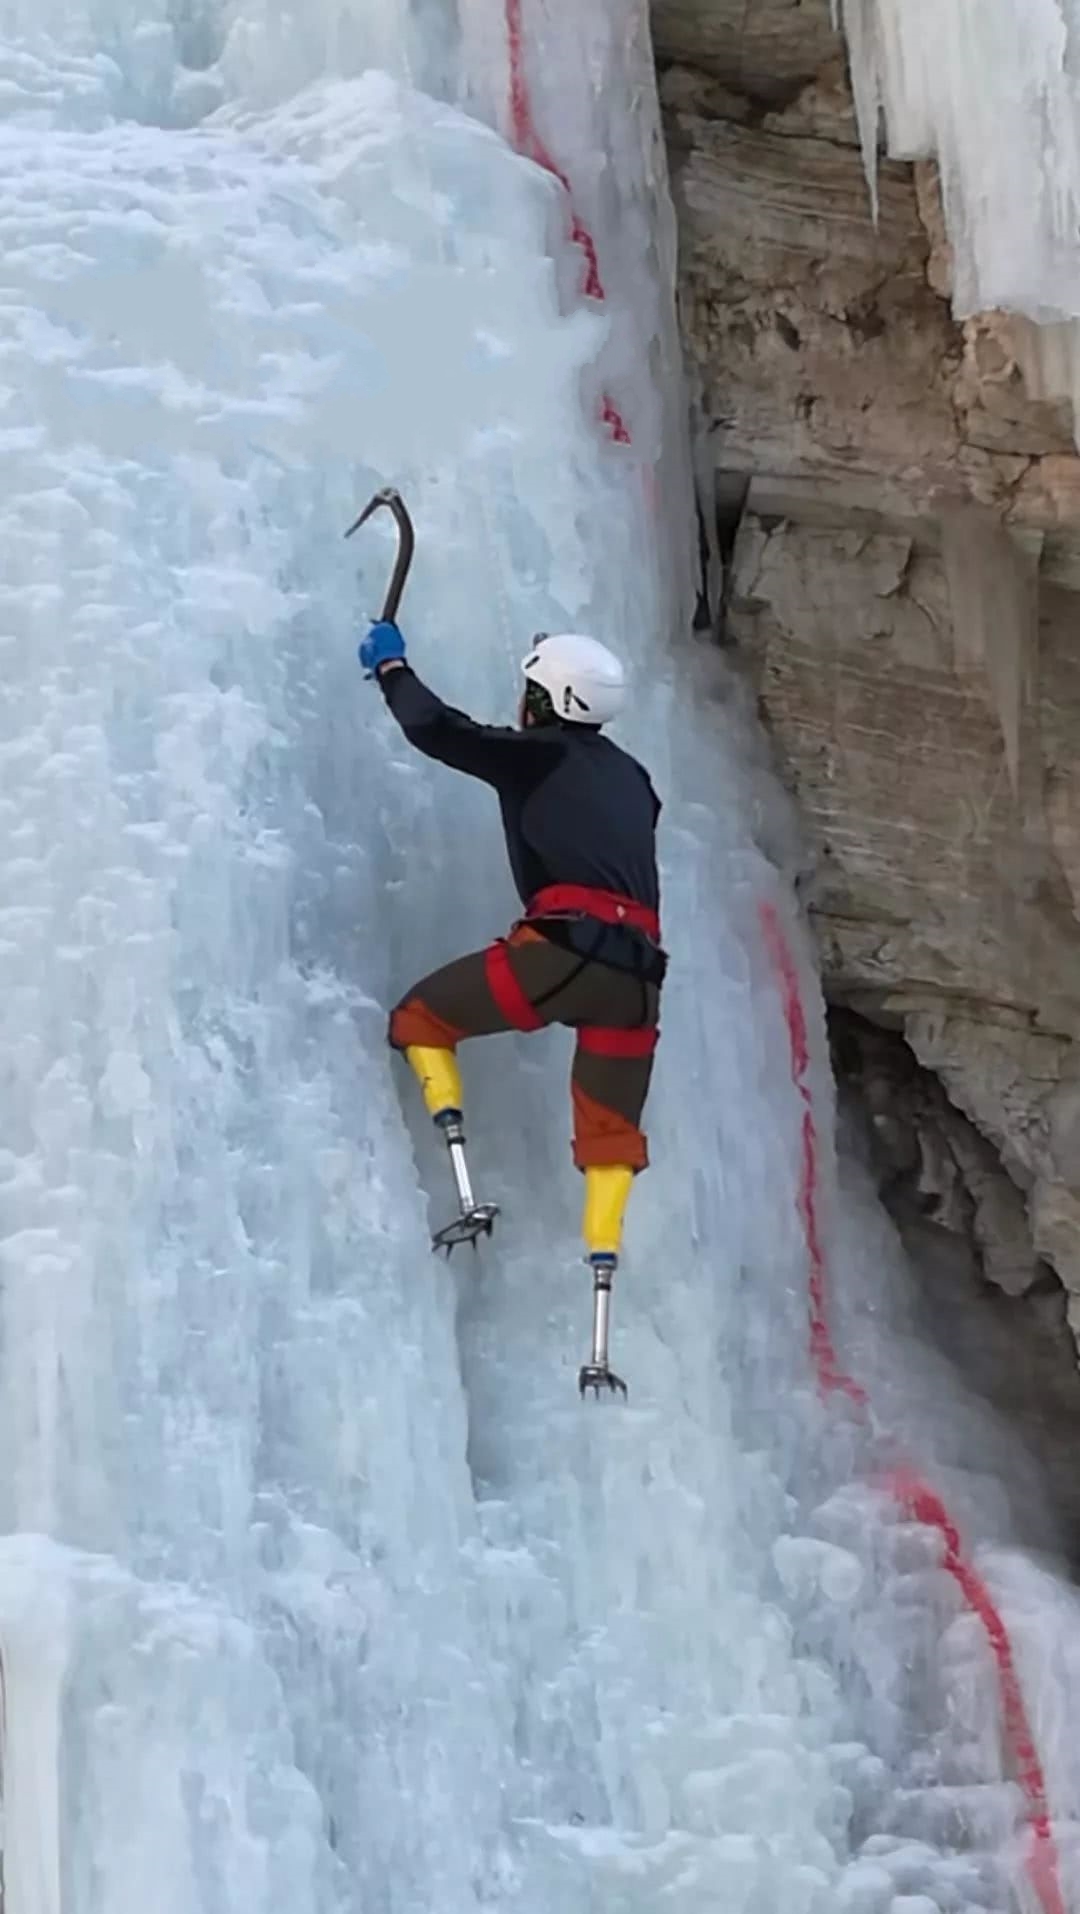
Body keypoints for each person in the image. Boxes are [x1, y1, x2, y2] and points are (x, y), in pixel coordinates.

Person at [360, 620, 666, 1266]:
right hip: (638, 982)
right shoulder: (635, 778)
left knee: (421, 1020)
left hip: (563, 954)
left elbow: (438, 729)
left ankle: (464, 1187)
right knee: (609, 1136)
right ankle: (602, 1282)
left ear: (545, 701)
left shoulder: (538, 756)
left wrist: (392, 670)